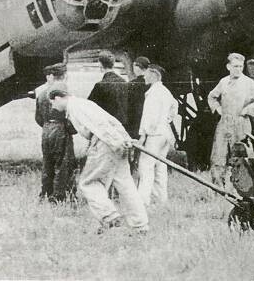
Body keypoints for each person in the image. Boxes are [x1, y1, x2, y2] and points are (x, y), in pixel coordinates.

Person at [48, 83, 149, 234]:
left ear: (57, 98)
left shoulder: (76, 107)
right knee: (125, 183)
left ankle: (109, 217)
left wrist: (116, 142)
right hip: (116, 142)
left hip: (106, 143)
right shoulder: (84, 103)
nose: (53, 107)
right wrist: (125, 138)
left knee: (88, 182)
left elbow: (101, 125)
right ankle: (140, 225)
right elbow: (112, 120)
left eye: (52, 103)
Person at [207, 53, 254, 186]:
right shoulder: (223, 82)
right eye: (235, 66)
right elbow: (212, 97)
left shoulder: (248, 83)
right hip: (224, 124)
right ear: (228, 67)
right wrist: (218, 109)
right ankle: (218, 189)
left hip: (241, 124)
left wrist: (248, 110)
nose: (238, 69)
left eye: (240, 66)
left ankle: (243, 189)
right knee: (218, 157)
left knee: (240, 157)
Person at [34, 63, 76, 203]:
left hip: (46, 129)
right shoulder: (64, 92)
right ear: (64, 75)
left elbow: (38, 118)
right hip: (60, 129)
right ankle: (59, 196)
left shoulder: (41, 94)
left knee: (48, 163)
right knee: (63, 163)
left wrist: (47, 125)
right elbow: (71, 116)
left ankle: (46, 193)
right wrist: (70, 130)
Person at [137, 65, 178, 206]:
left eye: (146, 74)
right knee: (161, 167)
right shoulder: (165, 91)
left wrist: (143, 135)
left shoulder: (153, 93)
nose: (144, 76)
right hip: (165, 133)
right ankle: (161, 200)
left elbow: (148, 116)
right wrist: (167, 119)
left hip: (154, 134)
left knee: (146, 167)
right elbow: (175, 105)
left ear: (154, 76)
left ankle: (143, 201)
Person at [87, 51, 129, 124]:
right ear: (113, 64)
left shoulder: (100, 85)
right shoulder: (124, 82)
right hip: (123, 126)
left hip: (107, 126)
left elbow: (89, 106)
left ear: (100, 64)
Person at [125, 56, 151, 140]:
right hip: (147, 118)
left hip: (134, 119)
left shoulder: (132, 84)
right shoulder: (150, 83)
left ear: (137, 67)